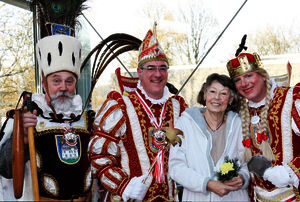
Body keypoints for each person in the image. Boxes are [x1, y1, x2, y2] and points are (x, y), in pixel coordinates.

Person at [88, 25, 187, 201]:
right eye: (151, 68)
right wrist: (124, 186)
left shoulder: (179, 107)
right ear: (139, 72)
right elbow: (99, 154)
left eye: (162, 68)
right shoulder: (120, 106)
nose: (157, 74)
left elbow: (190, 151)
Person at [0, 34, 95, 201]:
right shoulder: (25, 119)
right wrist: (21, 137)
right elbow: (5, 170)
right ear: (44, 84)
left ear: (76, 84)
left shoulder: (88, 120)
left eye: (69, 81)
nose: (63, 88)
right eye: (56, 81)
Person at [226, 52, 300, 201]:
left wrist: (290, 172)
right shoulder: (240, 114)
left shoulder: (291, 99)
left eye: (248, 76)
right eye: (238, 80)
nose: (244, 83)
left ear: (263, 75)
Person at [169, 73, 250, 201]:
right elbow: (176, 167)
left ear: (230, 99)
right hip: (196, 198)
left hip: (233, 197)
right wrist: (207, 184)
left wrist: (242, 178)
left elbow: (246, 162)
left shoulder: (239, 124)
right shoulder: (184, 123)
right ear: (205, 94)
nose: (217, 98)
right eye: (212, 91)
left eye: (223, 93)